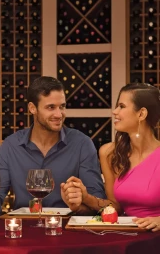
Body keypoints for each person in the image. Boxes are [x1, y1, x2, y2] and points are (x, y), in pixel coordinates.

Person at [0, 76, 105, 217]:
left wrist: (78, 206)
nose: (59, 114)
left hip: (67, 229)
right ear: (32, 108)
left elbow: (97, 202)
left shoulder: (82, 144)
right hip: (23, 229)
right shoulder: (11, 146)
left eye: (62, 107)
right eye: (51, 107)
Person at [61, 83, 160, 232]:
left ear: (141, 114)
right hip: (128, 234)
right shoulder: (109, 153)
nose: (115, 111)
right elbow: (115, 207)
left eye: (121, 106)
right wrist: (86, 197)